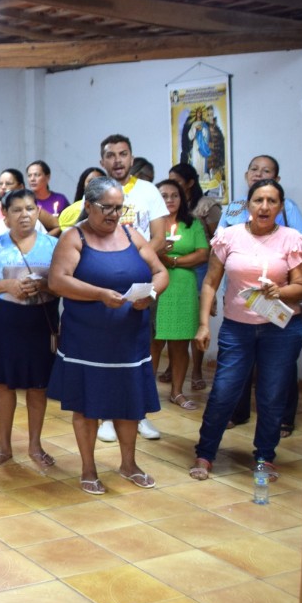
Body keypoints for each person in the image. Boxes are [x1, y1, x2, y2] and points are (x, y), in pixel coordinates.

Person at [47, 177, 168, 495]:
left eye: (119, 208)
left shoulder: (131, 233)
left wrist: (151, 294)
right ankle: (88, 469)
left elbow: (160, 271)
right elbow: (58, 281)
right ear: (88, 206)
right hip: (87, 340)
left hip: (129, 338)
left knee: (130, 403)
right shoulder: (74, 238)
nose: (114, 215)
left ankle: (128, 464)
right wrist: (100, 294)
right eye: (107, 208)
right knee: (87, 405)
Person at [190, 178, 302, 482]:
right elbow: (210, 282)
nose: (265, 207)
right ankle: (205, 454)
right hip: (237, 329)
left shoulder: (292, 238)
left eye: (272, 201)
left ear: (280, 207)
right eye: (258, 200)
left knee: (271, 395)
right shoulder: (228, 237)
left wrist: (278, 292)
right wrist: (204, 324)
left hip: (281, 330)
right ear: (248, 206)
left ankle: (265, 458)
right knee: (224, 392)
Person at [216, 154, 302, 435]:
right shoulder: (233, 208)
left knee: (280, 367)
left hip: (276, 298)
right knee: (237, 363)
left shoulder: (287, 207)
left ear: (277, 180)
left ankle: (283, 418)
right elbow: (220, 249)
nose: (259, 174)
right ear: (247, 177)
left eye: (266, 170)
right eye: (254, 170)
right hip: (239, 295)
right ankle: (238, 411)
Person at [0, 189, 59, 471]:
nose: (25, 215)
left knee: (38, 386)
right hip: (5, 320)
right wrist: (6, 285)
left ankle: (35, 445)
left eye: (31, 208)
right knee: (5, 384)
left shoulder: (54, 245)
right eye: (17, 210)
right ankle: (4, 446)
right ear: (6, 217)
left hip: (40, 320)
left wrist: (43, 286)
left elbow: (64, 283)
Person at [96, 135, 169, 443]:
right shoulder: (96, 191)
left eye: (123, 154)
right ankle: (105, 417)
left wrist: (134, 264)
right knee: (104, 351)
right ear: (102, 162)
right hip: (103, 283)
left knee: (140, 351)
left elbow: (160, 236)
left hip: (139, 282)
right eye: (111, 155)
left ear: (131, 156)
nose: (118, 160)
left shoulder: (148, 191)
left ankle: (138, 415)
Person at [150, 179, 208, 412]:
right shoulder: (151, 223)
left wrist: (173, 260)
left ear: (182, 198)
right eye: (164, 196)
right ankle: (147, 392)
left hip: (183, 285)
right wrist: (160, 256)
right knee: (153, 342)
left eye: (174, 195)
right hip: (156, 283)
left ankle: (177, 392)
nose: (170, 200)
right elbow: (143, 250)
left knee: (180, 343)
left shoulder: (191, 223)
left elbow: (203, 254)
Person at [164, 162, 222, 391]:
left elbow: (216, 242)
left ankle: (197, 369)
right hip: (168, 273)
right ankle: (171, 368)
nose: (171, 192)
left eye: (177, 182)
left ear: (189, 183)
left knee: (197, 321)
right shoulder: (164, 212)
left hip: (199, 270)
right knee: (168, 324)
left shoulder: (206, 205)